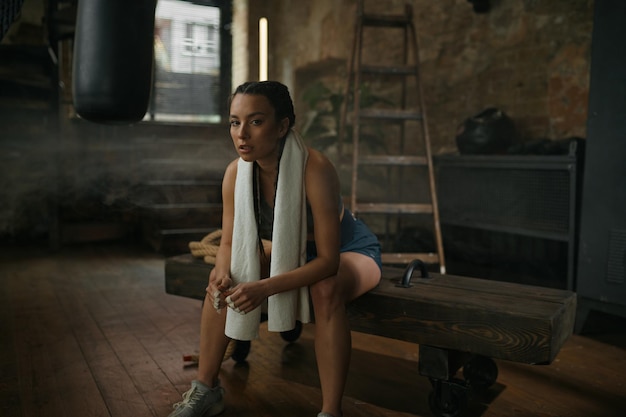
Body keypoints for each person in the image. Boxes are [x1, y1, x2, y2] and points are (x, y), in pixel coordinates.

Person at [168, 80, 382, 417]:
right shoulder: (235, 174)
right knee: (224, 280)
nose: (242, 134)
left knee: (325, 289)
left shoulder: (316, 168)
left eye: (255, 121)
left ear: (282, 126)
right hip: (291, 253)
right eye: (235, 122)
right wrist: (222, 272)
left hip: (348, 251)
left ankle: (330, 411)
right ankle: (206, 389)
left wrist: (263, 288)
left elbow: (327, 262)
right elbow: (228, 242)